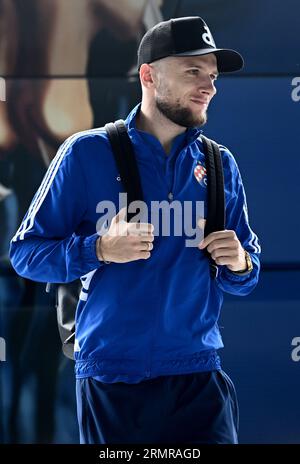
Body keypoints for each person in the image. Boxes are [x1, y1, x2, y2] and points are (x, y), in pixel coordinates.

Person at [9, 16, 261, 444]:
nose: (209, 87)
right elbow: (26, 255)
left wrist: (238, 262)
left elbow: (245, 277)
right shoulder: (86, 153)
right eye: (193, 72)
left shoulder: (221, 165)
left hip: (198, 379)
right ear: (149, 75)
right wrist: (99, 249)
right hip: (113, 381)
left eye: (213, 76)